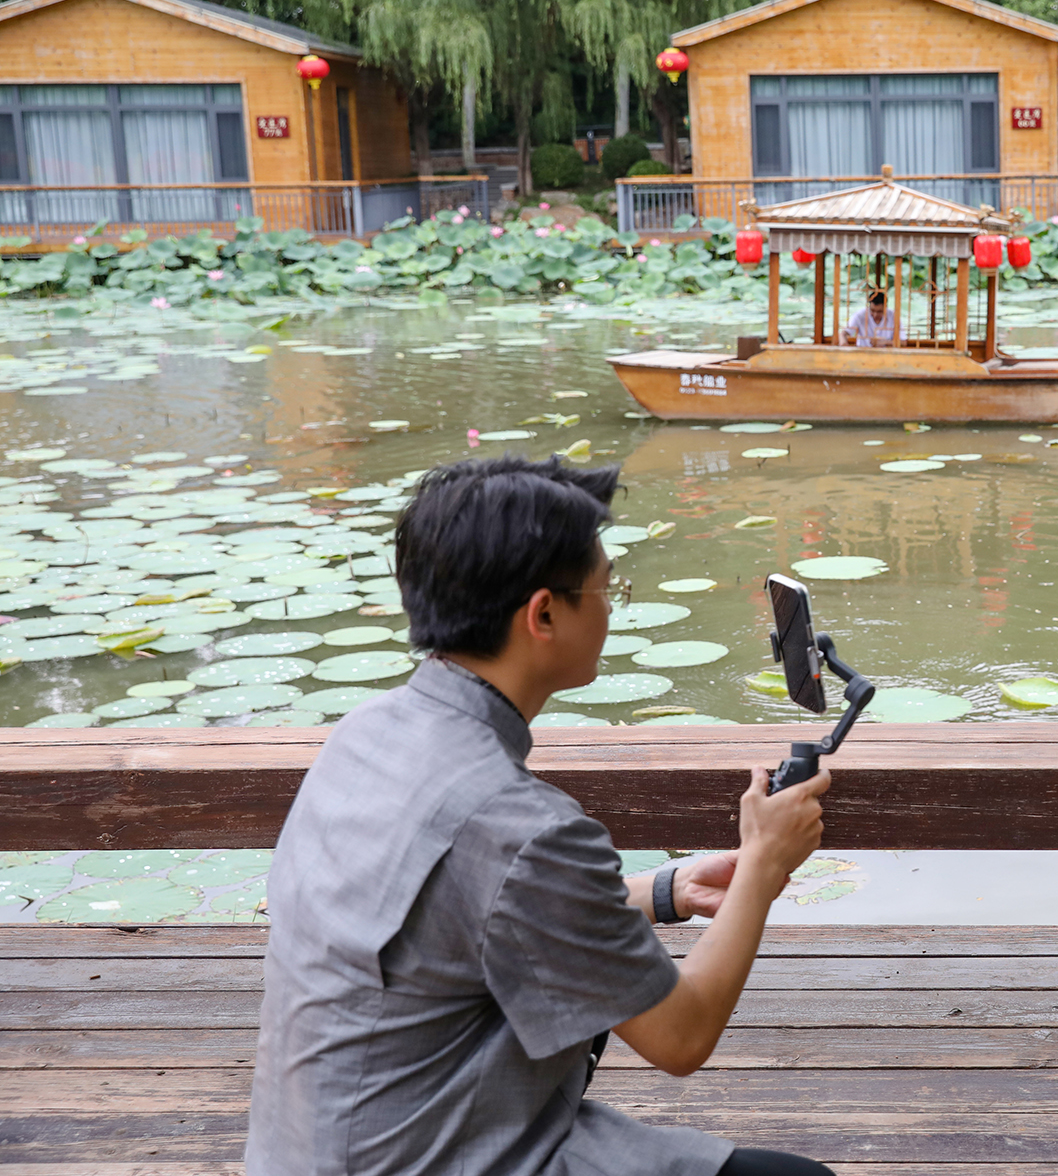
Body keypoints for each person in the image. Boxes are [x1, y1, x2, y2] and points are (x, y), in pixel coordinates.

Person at [245, 455, 838, 1176]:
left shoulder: (364, 733)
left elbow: (474, 906)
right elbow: (682, 1036)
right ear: (544, 614)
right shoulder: (524, 824)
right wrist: (765, 863)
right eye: (607, 587)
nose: (613, 607)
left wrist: (668, 890)